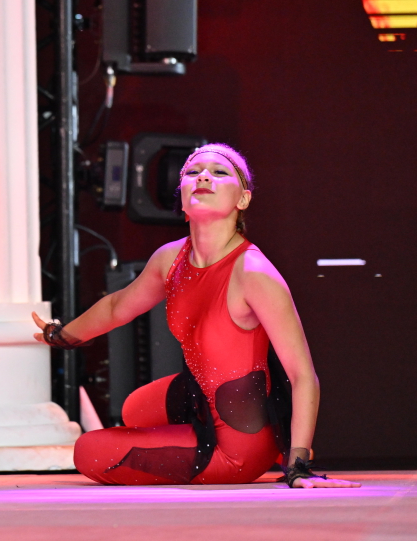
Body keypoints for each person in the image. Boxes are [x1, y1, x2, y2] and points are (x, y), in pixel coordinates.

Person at [33, 143, 358, 488]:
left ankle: (261, 452)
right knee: (136, 408)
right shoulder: (170, 259)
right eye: (192, 172)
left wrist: (299, 466)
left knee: (88, 451)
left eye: (219, 172)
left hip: (238, 448)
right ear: (183, 200)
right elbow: (118, 307)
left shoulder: (253, 273)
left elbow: (303, 375)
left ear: (243, 199)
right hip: (202, 400)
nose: (203, 176)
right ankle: (195, 435)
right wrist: (62, 335)